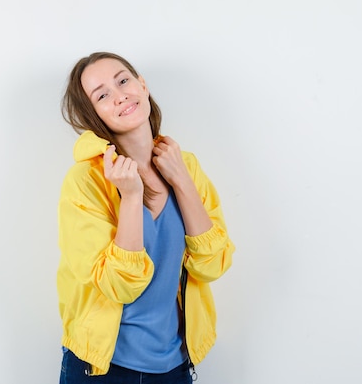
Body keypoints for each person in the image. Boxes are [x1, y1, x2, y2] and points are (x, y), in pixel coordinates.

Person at [57, 52, 235, 383]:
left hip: (174, 366)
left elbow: (213, 264)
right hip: (103, 368)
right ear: (92, 115)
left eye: (123, 80)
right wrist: (131, 196)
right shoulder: (85, 182)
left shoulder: (186, 166)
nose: (120, 94)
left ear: (142, 85)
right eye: (102, 95)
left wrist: (181, 179)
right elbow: (119, 285)